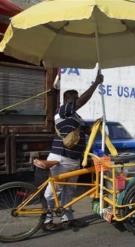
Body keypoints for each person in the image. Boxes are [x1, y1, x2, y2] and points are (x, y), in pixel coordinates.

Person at [34, 73, 103, 231]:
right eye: (75, 99)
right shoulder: (63, 111)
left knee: (69, 190)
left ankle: (67, 219)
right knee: (54, 191)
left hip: (74, 160)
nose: (77, 101)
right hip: (61, 158)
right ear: (68, 100)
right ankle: (48, 221)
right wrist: (96, 84)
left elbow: (86, 130)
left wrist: (97, 125)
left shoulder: (75, 117)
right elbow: (81, 101)